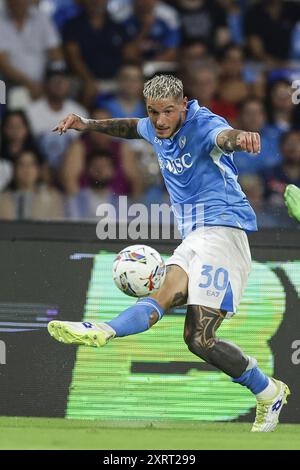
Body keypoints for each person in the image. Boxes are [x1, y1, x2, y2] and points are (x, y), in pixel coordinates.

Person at [48, 74, 290, 432]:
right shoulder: (155, 126)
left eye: (167, 112)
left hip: (222, 233)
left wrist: (241, 138)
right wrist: (87, 124)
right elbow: (132, 127)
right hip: (194, 238)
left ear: (183, 105)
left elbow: (225, 137)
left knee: (199, 338)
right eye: (153, 112)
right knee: (167, 308)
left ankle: (270, 392)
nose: (159, 121)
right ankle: (103, 329)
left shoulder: (204, 124)